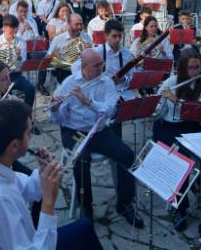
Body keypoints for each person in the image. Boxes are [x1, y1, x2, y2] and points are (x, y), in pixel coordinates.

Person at [0, 99, 102, 250]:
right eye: (29, 133)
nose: (31, 137)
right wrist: (48, 201)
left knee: (85, 228)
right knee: (85, 229)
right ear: (14, 145)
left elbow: (28, 188)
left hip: (15, 240)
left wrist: (43, 171)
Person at [50, 48, 143, 227]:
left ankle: (124, 204)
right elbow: (58, 119)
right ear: (84, 66)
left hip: (98, 130)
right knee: (81, 159)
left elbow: (109, 111)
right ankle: (86, 208)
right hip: (74, 130)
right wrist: (55, 108)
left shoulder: (106, 81)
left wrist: (88, 102)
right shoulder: (69, 83)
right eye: (97, 65)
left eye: (102, 63)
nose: (102, 67)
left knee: (127, 155)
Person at [152, 50, 201, 232]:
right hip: (169, 126)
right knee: (178, 162)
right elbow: (158, 113)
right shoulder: (171, 83)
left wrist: (178, 101)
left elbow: (200, 112)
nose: (195, 72)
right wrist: (159, 102)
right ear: (182, 69)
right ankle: (181, 208)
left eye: (198, 67)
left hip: (194, 124)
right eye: (191, 68)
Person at [0, 15, 35, 107]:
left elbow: (21, 65)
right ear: (4, 28)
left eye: (16, 28)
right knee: (6, 95)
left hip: (14, 75)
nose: (14, 31)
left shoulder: (21, 42)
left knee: (30, 89)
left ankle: (27, 116)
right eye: (12, 28)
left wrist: (19, 57)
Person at [46, 13, 92, 83]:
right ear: (69, 24)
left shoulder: (86, 36)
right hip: (66, 72)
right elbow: (48, 58)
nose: (79, 27)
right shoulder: (58, 39)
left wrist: (89, 50)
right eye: (77, 24)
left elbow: (93, 56)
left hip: (84, 71)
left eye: (81, 24)